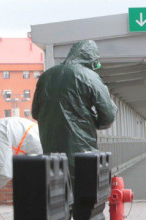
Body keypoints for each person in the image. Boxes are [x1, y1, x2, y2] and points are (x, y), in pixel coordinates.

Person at [33, 40, 116, 181]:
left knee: (57, 195)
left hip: (50, 149)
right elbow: (107, 115)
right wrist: (93, 121)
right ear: (92, 58)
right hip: (82, 148)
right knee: (84, 192)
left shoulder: (46, 76)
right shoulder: (89, 76)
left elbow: (36, 113)